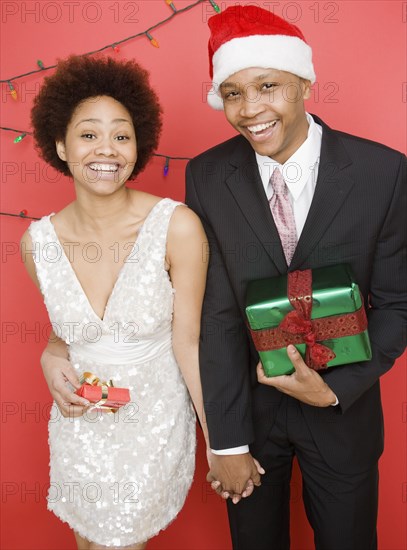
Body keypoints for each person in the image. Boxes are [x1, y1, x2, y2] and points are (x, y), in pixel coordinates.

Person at [185, 5, 406, 550]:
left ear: (305, 82)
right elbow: (215, 315)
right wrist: (227, 440)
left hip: (342, 413)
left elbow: (399, 303)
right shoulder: (208, 175)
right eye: (233, 93)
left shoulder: (383, 171)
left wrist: (332, 391)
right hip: (251, 419)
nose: (250, 108)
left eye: (268, 85)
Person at [21, 55, 210, 550]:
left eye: (121, 135)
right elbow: (65, 334)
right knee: (87, 542)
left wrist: (224, 444)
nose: (107, 149)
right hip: (83, 419)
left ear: (138, 145)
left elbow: (189, 343)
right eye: (88, 134)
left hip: (153, 421)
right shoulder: (37, 242)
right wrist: (50, 357)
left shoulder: (177, 227)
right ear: (60, 144)